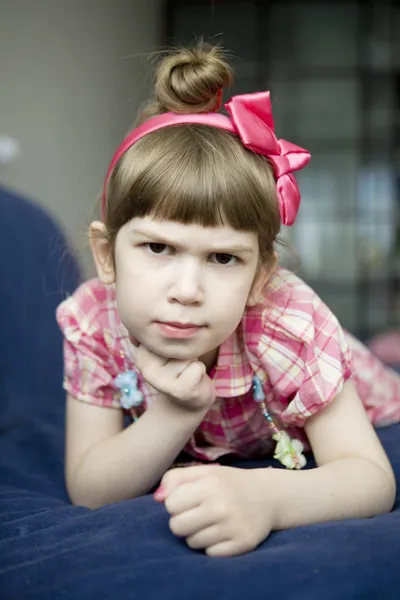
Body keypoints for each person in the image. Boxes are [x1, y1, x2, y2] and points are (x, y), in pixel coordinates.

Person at [57, 42, 400, 557]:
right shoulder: (93, 320)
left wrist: (268, 497)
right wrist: (176, 412)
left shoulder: (290, 322)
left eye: (223, 259)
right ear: (106, 255)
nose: (187, 291)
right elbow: (89, 489)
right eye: (157, 247)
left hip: (374, 413)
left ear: (261, 275)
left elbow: (371, 478)